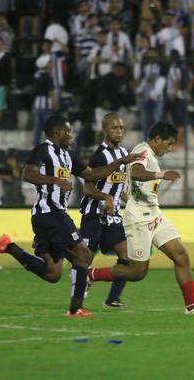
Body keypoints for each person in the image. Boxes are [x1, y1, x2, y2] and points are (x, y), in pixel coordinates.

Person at [0, 114, 145, 317]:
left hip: (47, 217)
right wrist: (54, 180)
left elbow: (91, 175)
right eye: (68, 131)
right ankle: (76, 308)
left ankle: (8, 246)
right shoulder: (43, 150)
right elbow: (27, 174)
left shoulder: (68, 156)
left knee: (53, 273)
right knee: (83, 254)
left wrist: (121, 161)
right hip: (51, 213)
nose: (71, 135)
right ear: (58, 132)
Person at [87, 122, 194, 315]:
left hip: (154, 214)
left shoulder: (151, 155)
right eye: (169, 143)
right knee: (137, 272)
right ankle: (90, 274)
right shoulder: (142, 151)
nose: (170, 148)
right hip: (139, 219)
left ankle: (192, 307)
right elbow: (136, 172)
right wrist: (162, 174)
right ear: (157, 139)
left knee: (181, 255)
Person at [77, 113, 132, 308]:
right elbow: (87, 187)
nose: (119, 131)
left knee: (127, 254)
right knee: (85, 258)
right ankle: (76, 301)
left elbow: (119, 187)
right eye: (114, 128)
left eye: (121, 127)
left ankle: (112, 298)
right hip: (93, 214)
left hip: (113, 217)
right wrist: (105, 197)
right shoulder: (100, 156)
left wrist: (133, 203)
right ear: (105, 130)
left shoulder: (124, 154)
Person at [31, 54, 56, 144]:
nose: (51, 64)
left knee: (37, 126)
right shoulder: (48, 77)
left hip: (36, 104)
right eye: (49, 62)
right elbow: (51, 92)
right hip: (45, 104)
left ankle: (36, 144)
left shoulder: (36, 75)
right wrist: (54, 103)